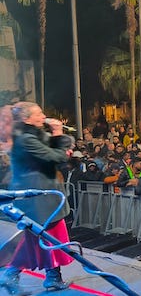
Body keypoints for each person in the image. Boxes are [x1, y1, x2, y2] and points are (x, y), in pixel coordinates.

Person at [0, 102, 75, 293]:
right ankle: (12, 273)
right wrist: (58, 134)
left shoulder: (33, 134)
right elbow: (56, 157)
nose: (43, 116)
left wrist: (58, 141)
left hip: (43, 195)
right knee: (42, 238)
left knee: (49, 237)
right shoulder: (26, 139)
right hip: (37, 198)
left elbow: (54, 151)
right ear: (27, 118)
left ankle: (52, 277)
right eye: (39, 113)